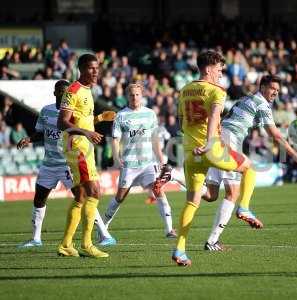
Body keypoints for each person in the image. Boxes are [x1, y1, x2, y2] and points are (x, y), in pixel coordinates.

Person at [202, 75, 297, 251]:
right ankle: (237, 215)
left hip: (219, 138)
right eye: (272, 88)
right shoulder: (262, 103)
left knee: (210, 194)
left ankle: (173, 177)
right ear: (262, 87)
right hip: (228, 141)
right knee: (239, 184)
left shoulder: (246, 98)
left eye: (277, 90)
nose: (275, 92)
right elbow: (275, 136)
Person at [172, 50, 257, 266]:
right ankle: (244, 207)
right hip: (212, 150)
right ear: (208, 69)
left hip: (190, 153)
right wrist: (210, 143)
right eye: (219, 69)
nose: (221, 72)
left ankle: (180, 250)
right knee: (249, 167)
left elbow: (181, 122)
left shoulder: (184, 90)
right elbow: (214, 117)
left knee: (192, 202)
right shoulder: (217, 91)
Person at [98, 82, 176, 239]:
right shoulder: (121, 115)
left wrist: (161, 160)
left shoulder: (150, 114)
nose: (134, 97)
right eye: (132, 95)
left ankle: (169, 230)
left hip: (148, 163)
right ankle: (103, 228)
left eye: (137, 94)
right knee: (119, 198)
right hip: (130, 164)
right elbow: (115, 140)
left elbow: (155, 139)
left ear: (142, 96)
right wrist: (116, 158)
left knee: (158, 190)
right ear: (128, 96)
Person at [57, 53, 116, 258]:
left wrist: (99, 118)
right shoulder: (73, 90)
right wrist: (87, 133)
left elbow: (81, 120)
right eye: (91, 68)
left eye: (97, 67)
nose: (96, 71)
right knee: (95, 192)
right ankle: (87, 244)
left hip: (85, 146)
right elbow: (62, 122)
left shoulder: (88, 91)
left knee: (82, 196)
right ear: (81, 69)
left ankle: (66, 244)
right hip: (77, 147)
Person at [17, 80, 77, 247]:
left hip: (67, 164)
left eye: (66, 92)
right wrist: (29, 139)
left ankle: (104, 234)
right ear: (55, 93)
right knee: (39, 199)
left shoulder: (73, 113)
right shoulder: (46, 110)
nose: (63, 94)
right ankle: (36, 239)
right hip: (49, 165)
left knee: (83, 198)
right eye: (60, 91)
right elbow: (41, 133)